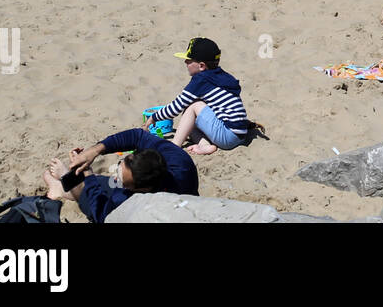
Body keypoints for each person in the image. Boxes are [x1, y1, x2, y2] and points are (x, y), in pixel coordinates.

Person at [40, 126, 200, 223]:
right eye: (119, 167)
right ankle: (62, 188)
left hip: (159, 209)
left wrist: (87, 174)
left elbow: (102, 216)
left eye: (123, 181)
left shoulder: (130, 201)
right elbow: (138, 135)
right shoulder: (179, 161)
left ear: (142, 189)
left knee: (88, 192)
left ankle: (62, 185)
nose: (116, 178)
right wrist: (95, 151)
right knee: (103, 182)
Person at [148, 38, 252, 155]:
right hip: (239, 134)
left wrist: (153, 118)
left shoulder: (201, 80)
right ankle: (205, 145)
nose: (185, 62)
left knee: (193, 106)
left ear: (201, 66)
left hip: (228, 135)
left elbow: (176, 107)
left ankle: (174, 146)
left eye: (188, 60)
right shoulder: (220, 76)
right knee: (189, 123)